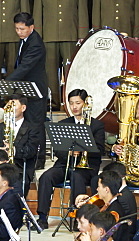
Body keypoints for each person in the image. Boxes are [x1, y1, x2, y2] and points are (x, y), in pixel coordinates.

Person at [36, 89, 105, 229]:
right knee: (46, 177)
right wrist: (69, 153)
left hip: (87, 167)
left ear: (85, 104)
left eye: (78, 103)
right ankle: (42, 217)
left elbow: (100, 150)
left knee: (76, 176)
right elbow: (57, 149)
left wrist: (83, 150)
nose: (74, 107)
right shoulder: (64, 123)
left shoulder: (96, 125)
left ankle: (77, 218)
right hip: (65, 164)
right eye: (71, 103)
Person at [7, 12, 48, 123]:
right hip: (25, 89)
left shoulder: (35, 43)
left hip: (35, 90)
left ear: (31, 27)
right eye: (16, 29)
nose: (19, 32)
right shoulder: (25, 39)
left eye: (22, 29)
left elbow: (25, 66)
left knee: (35, 125)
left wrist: (6, 83)